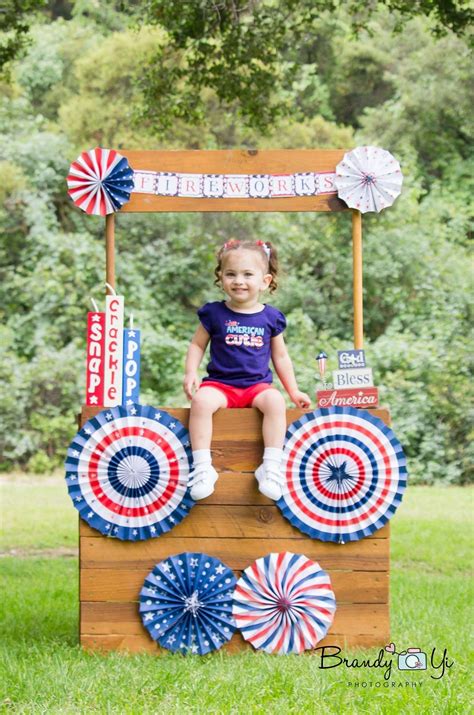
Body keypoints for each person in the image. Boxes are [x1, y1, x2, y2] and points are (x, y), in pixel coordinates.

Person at [183, 239, 311, 502]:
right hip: (220, 385)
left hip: (256, 387)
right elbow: (197, 344)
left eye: (247, 274)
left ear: (264, 281)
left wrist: (294, 390)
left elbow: (281, 357)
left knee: (275, 402)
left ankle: (271, 467)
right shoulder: (214, 313)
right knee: (201, 402)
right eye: (231, 274)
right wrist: (190, 372)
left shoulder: (270, 317)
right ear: (221, 277)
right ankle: (203, 467)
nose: (238, 280)